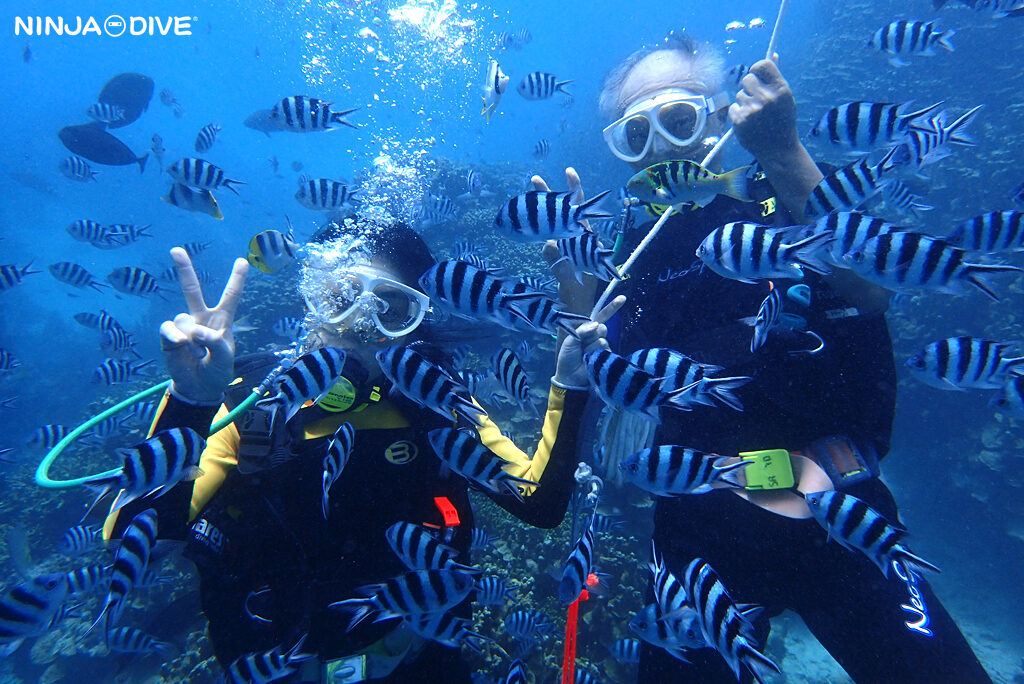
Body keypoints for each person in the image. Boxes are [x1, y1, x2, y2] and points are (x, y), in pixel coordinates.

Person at [596, 34, 991, 682]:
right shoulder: (634, 253)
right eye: (636, 134)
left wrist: (783, 150)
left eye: (678, 117)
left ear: (724, 113)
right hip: (700, 532)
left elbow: (872, 288)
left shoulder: (787, 195)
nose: (662, 145)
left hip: (836, 512)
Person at [103, 218, 624, 683]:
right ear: (312, 301)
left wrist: (569, 382)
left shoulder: (434, 402)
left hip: (416, 664)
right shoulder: (250, 405)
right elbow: (132, 538)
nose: (358, 323)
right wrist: (192, 403)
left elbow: (539, 502)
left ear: (415, 321)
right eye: (340, 297)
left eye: (390, 308)